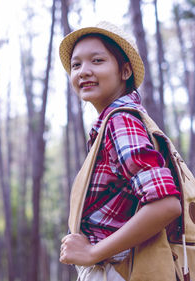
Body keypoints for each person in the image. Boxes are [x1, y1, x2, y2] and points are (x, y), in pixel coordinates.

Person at [58, 21, 182, 275]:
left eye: (97, 61)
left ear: (125, 71)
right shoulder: (117, 122)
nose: (84, 71)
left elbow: (166, 204)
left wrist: (93, 252)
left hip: (119, 268)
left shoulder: (120, 120)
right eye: (76, 64)